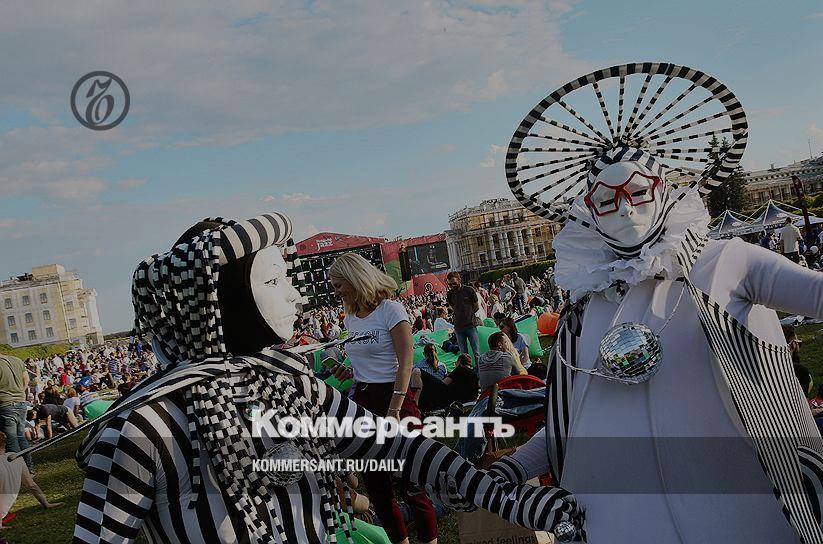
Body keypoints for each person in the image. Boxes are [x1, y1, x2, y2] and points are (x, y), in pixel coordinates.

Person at [488, 79, 823, 541]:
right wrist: (511, 469)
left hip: (747, 520)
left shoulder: (727, 263)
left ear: (663, 189)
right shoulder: (585, 309)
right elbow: (573, 423)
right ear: (588, 211)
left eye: (637, 191)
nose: (625, 210)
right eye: (606, 200)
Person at [70, 214, 577, 543]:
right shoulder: (142, 427)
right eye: (274, 281)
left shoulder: (291, 385)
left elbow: (398, 447)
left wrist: (505, 497)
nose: (296, 296)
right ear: (217, 300)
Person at [330, 252, 437, 544]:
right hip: (364, 401)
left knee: (412, 486)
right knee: (378, 489)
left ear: (355, 278)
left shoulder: (391, 310)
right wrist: (347, 371)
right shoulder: (351, 318)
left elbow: (405, 364)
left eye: (339, 285)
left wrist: (394, 411)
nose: (336, 292)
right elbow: (366, 366)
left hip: (396, 399)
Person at [0, 430, 62, 529]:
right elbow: (31, 485)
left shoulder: (14, 457)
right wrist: (46, 504)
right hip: (4, 511)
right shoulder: (16, 457)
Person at [0, 354, 30, 472]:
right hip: (21, 403)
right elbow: (26, 380)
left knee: (12, 440)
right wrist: (20, 393)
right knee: (21, 437)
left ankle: (20, 471)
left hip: (6, 405)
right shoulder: (17, 360)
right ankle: (29, 467)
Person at [445, 272, 481, 362]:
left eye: (454, 283)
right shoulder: (449, 294)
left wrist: (468, 314)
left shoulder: (469, 290)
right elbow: (453, 308)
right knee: (464, 355)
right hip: (458, 327)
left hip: (471, 325)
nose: (452, 286)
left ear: (459, 280)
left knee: (476, 353)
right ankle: (468, 370)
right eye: (450, 284)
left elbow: (476, 306)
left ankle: (479, 370)